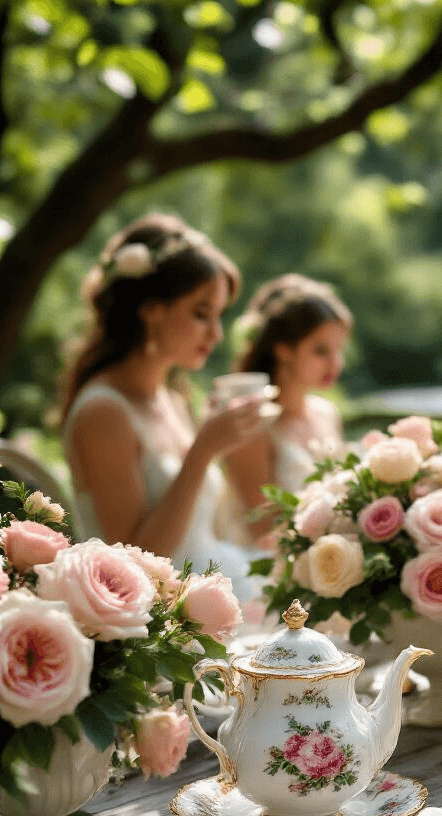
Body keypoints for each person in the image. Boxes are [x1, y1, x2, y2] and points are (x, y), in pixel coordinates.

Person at [62, 212, 265, 600]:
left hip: (217, 588)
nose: (216, 333)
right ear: (151, 310)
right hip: (160, 625)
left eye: (220, 315)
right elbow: (134, 565)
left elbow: (202, 528)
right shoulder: (102, 413)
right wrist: (203, 451)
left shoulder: (172, 401)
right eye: (201, 313)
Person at [224, 274, 350, 538]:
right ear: (284, 350)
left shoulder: (327, 413)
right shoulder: (253, 424)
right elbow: (261, 527)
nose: (335, 363)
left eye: (339, 350)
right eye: (321, 351)